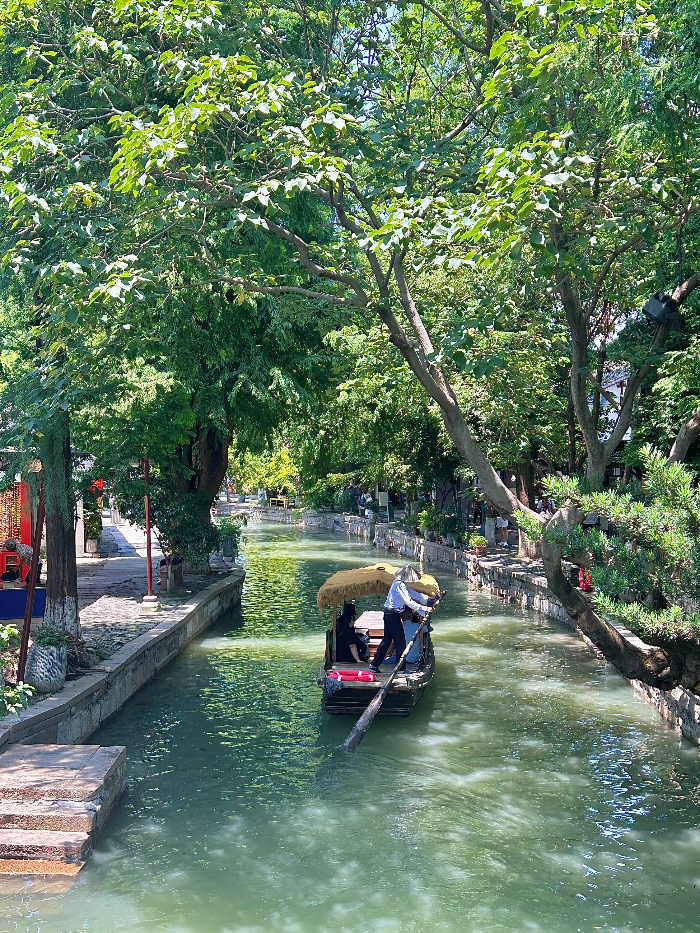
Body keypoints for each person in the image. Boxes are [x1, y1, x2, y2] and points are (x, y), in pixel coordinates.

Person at [369, 566, 438, 673]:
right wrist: (425, 608)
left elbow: (413, 594)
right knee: (400, 642)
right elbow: (409, 602)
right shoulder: (399, 585)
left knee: (387, 640)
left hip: (390, 614)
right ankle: (401, 669)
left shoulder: (401, 585)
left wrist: (427, 598)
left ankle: (374, 665)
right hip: (392, 614)